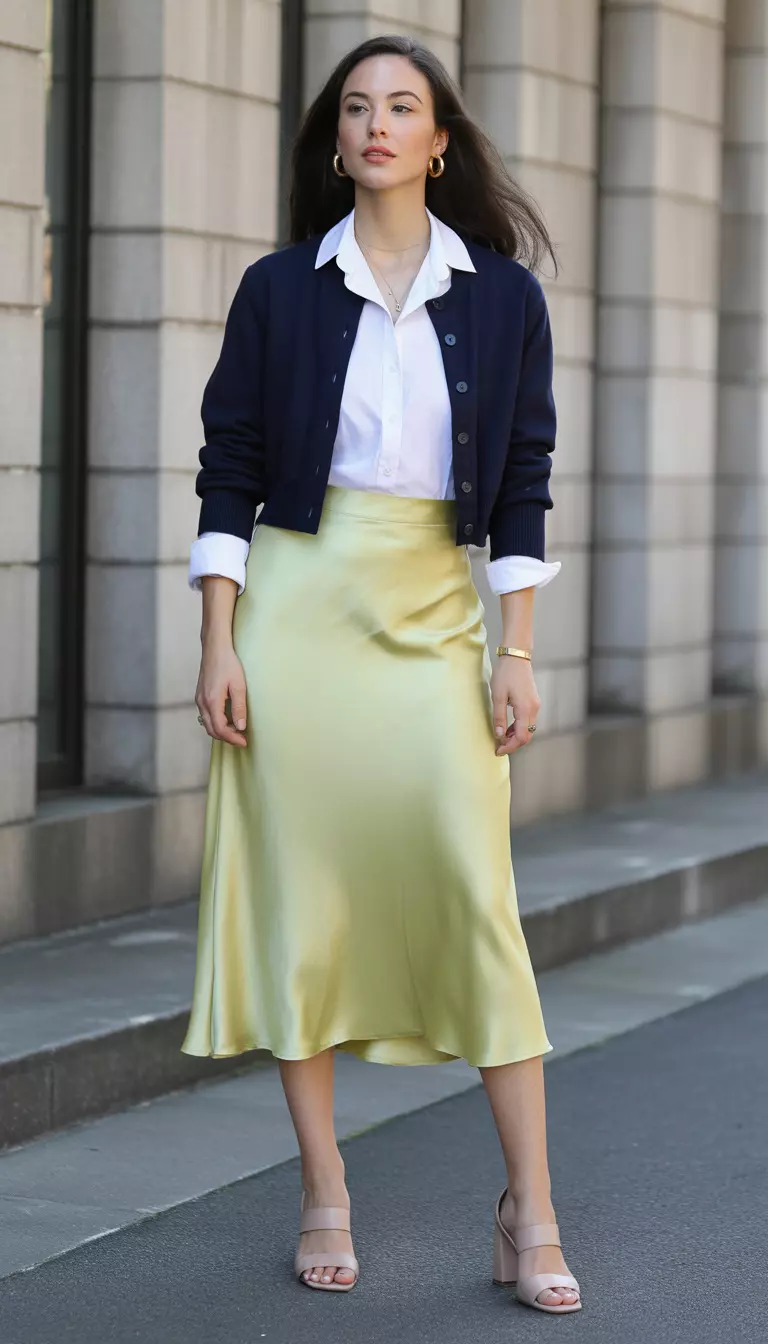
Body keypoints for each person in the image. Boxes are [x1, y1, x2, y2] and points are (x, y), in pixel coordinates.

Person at [181, 33, 581, 1316]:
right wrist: (218, 638)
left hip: (432, 613)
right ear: (336, 140)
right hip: (299, 610)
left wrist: (514, 649)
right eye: (355, 107)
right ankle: (323, 1188)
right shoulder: (278, 289)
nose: (376, 123)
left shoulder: (504, 297)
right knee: (302, 899)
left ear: (440, 138)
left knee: (475, 893)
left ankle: (532, 1205)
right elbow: (229, 468)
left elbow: (522, 482)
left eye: (401, 105)